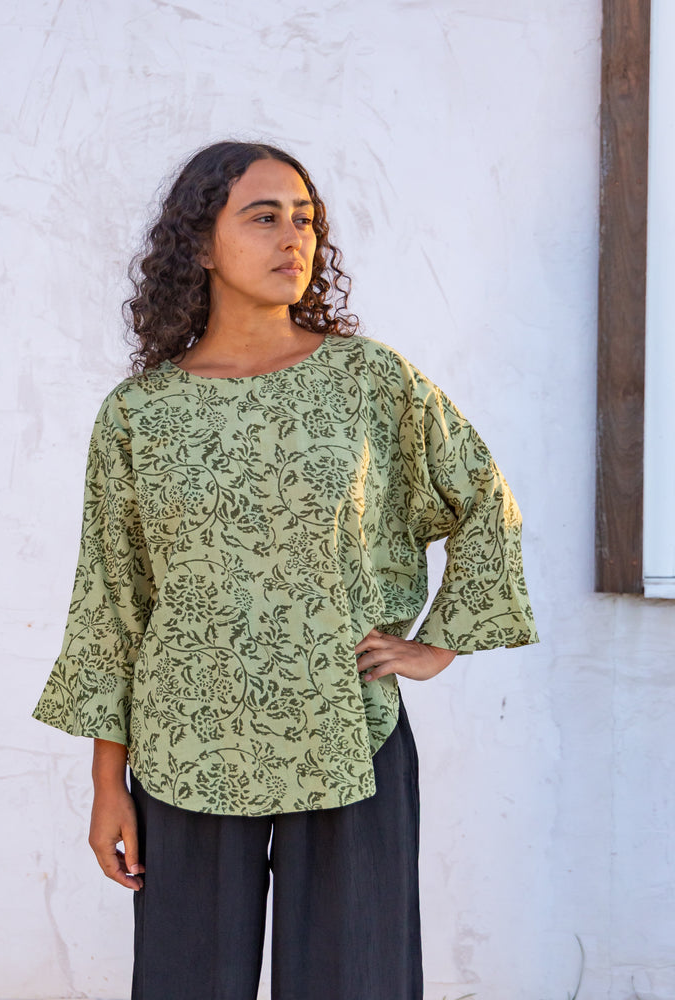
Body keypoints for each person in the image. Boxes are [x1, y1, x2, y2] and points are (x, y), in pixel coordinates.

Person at [33, 140, 538, 1000]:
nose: (292, 237)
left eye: (305, 219)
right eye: (264, 216)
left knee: (357, 983)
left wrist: (438, 644)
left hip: (348, 731)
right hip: (188, 741)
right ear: (200, 244)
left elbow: (483, 498)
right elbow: (112, 603)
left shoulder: (369, 382)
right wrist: (106, 783)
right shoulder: (140, 415)